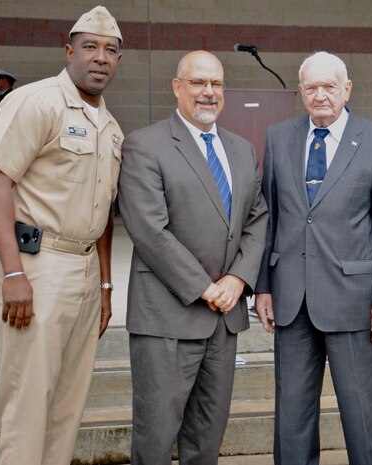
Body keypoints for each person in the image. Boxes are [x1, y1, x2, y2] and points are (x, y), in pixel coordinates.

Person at [0, 6, 123, 465]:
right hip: (36, 268)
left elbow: (104, 214)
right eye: (90, 47)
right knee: (28, 404)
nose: (100, 58)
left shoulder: (112, 128)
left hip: (82, 274)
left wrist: (103, 285)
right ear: (69, 51)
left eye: (111, 51)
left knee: (66, 408)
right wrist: (13, 272)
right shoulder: (36, 102)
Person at [118, 50, 268, 465]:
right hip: (167, 318)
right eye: (198, 82)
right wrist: (204, 287)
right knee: (155, 438)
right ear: (177, 87)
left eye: (216, 84)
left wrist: (238, 279)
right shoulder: (145, 145)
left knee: (206, 438)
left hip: (224, 318)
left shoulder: (241, 150)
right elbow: (149, 229)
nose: (208, 92)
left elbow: (258, 219)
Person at [255, 51, 372, 465]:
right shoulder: (279, 136)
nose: (320, 95)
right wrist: (263, 287)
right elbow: (271, 216)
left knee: (364, 418)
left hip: (354, 301)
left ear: (347, 89)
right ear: (300, 91)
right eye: (311, 87)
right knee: (292, 420)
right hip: (291, 300)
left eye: (329, 87)